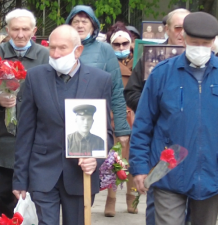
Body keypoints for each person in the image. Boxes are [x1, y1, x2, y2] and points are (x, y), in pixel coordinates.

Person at [12, 24, 113, 225]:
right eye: (52, 47)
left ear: (78, 50)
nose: (56, 54)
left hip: (79, 174)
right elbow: (25, 132)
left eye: (62, 48)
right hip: (42, 172)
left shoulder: (100, 80)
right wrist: (20, 179)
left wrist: (96, 159)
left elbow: (106, 132)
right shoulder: (36, 77)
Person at [129, 11, 218, 225]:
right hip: (167, 172)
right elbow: (143, 124)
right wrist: (140, 167)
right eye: (194, 42)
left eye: (205, 43)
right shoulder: (161, 74)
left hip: (211, 175)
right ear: (184, 38)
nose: (200, 48)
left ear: (214, 42)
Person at [0, 8, 49, 221]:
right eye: (15, 29)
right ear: (7, 29)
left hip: (36, 143)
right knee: (1, 200)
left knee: (36, 205)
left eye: (25, 29)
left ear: (34, 30)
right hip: (2, 143)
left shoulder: (44, 56)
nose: (20, 34)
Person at [124, 8, 190, 225]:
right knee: (159, 203)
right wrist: (152, 105)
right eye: (178, 27)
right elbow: (131, 92)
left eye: (186, 28)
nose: (182, 33)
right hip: (159, 142)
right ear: (167, 29)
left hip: (192, 143)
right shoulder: (151, 57)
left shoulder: (204, 61)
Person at [65, 5, 130, 160]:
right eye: (76, 21)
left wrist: (121, 129)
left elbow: (117, 90)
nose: (80, 25)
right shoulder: (62, 48)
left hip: (96, 122)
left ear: (93, 25)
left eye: (85, 21)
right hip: (66, 122)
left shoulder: (105, 50)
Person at [103, 22, 138, 216]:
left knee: (134, 158)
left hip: (136, 114)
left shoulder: (140, 61)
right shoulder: (108, 62)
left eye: (125, 43)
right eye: (117, 44)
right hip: (115, 114)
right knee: (114, 158)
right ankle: (111, 197)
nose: (122, 47)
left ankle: (132, 197)